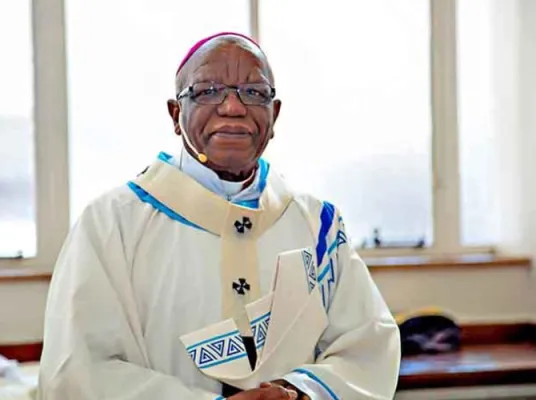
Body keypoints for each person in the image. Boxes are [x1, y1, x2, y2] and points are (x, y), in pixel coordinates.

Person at [38, 32, 401, 400]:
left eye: (254, 93)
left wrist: (300, 393)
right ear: (176, 114)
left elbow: (368, 347)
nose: (232, 107)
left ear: (274, 116)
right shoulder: (111, 224)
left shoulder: (316, 225)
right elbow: (78, 369)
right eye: (207, 91)